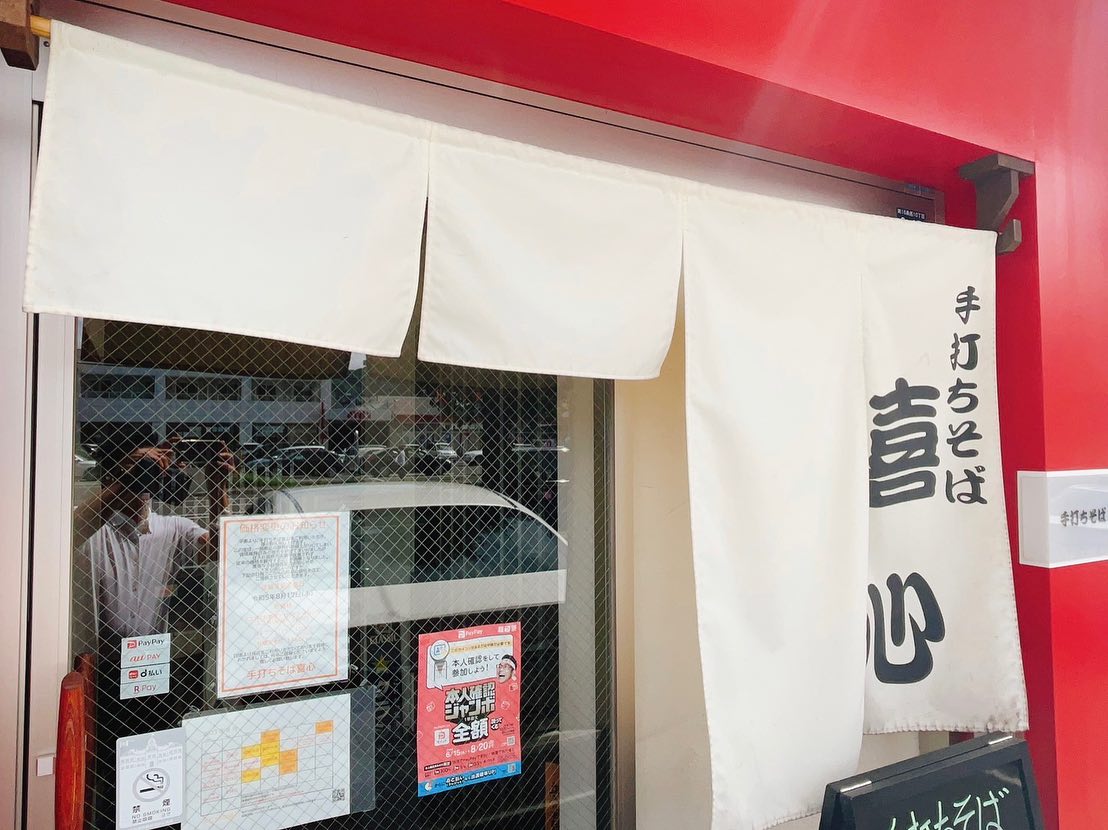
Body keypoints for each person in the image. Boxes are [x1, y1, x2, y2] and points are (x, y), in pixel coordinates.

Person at [73, 439, 236, 641]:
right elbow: (70, 532)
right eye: (137, 469)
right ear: (110, 476)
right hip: (94, 653)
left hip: (150, 653)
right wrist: (127, 479)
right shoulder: (94, 529)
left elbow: (220, 550)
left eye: (151, 471)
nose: (143, 481)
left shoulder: (171, 528)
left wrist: (218, 490)